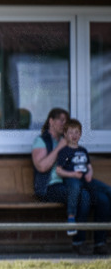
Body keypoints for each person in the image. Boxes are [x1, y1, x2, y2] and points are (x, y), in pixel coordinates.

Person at [32, 107, 91, 253]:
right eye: (61, 120)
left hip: (70, 182)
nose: (64, 124)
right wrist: (59, 148)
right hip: (49, 187)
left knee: (91, 196)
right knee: (83, 197)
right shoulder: (41, 141)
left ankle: (89, 242)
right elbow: (42, 167)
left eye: (66, 121)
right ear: (51, 121)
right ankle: (78, 242)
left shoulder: (67, 140)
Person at [55, 118, 110, 255]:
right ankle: (78, 240)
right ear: (65, 135)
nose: (74, 135)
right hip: (74, 181)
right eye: (71, 132)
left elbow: (89, 167)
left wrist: (90, 173)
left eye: (77, 132)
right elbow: (59, 170)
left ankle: (100, 243)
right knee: (83, 198)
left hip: (86, 181)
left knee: (104, 198)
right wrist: (73, 174)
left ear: (80, 134)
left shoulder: (83, 150)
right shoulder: (65, 152)